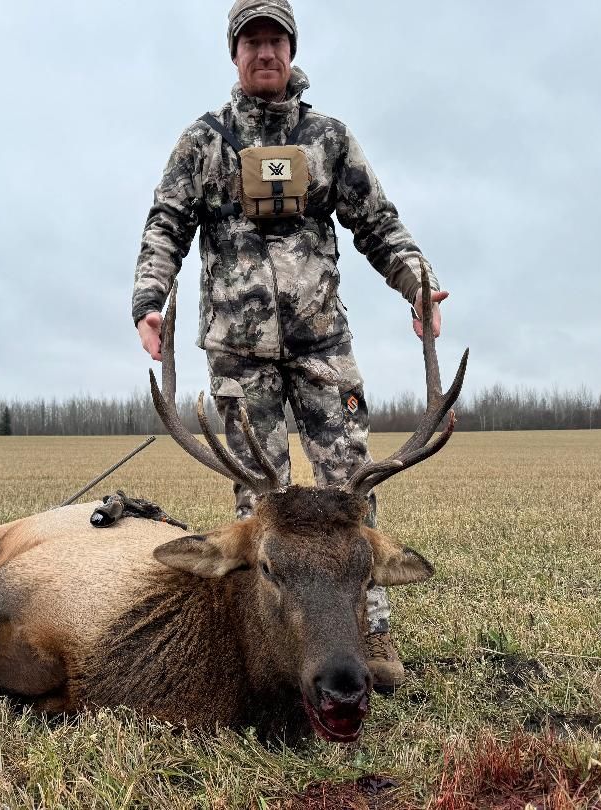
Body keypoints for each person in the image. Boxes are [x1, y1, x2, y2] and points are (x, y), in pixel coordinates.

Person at [131, 0, 448, 690]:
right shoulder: (204, 141)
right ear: (235, 55)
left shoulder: (327, 137)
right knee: (260, 506)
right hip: (239, 355)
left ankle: (373, 635)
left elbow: (377, 222)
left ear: (291, 50)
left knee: (349, 494)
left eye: (275, 40)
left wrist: (415, 282)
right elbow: (166, 226)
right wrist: (149, 301)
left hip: (320, 345)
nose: (264, 52)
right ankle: (269, 651)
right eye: (252, 42)